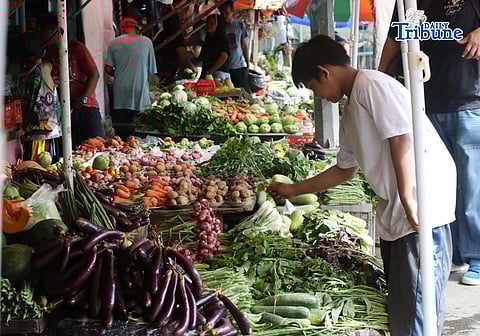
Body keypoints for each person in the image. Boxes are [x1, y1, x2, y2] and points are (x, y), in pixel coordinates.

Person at [267, 35, 456, 336]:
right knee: (403, 302)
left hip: (421, 199)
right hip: (397, 206)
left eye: (313, 86)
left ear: (324, 72)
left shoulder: (371, 84)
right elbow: (345, 170)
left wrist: (407, 198)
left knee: (418, 302)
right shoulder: (352, 104)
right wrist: (293, 190)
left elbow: (400, 138)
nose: (317, 95)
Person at [379, 0, 480, 285]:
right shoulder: (414, 3)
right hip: (425, 103)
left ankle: (477, 258)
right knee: (439, 181)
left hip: (468, 101)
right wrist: (379, 77)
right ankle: (455, 253)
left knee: (472, 184)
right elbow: (393, 39)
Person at [38, 14, 104, 148]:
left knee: (97, 148)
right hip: (62, 112)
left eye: (43, 30)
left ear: (54, 30)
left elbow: (94, 74)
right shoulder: (45, 54)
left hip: (86, 109)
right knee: (71, 153)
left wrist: (83, 99)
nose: (41, 35)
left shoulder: (76, 48)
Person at [105, 17, 157, 137]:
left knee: (121, 131)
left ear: (121, 29)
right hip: (139, 92)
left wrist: (118, 74)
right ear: (137, 29)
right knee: (140, 130)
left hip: (120, 92)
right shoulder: (147, 42)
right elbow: (152, 72)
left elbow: (107, 68)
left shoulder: (113, 43)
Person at [16, 32, 62, 162]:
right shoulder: (45, 70)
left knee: (36, 170)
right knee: (47, 169)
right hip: (49, 134)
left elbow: (26, 105)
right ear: (43, 52)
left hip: (35, 136)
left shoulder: (27, 76)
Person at [153, 0, 197, 85]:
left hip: (159, 70)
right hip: (165, 72)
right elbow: (182, 57)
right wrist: (193, 68)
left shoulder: (164, 32)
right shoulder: (175, 29)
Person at [219, 0, 251, 93]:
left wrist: (247, 62)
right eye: (222, 13)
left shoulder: (239, 25)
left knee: (242, 93)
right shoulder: (220, 26)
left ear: (232, 12)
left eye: (227, 13)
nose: (224, 16)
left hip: (238, 66)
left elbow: (244, 46)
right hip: (224, 69)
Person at [199, 14, 230, 79]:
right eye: (207, 23)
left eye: (212, 23)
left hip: (219, 74)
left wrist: (210, 72)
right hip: (207, 73)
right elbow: (202, 58)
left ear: (218, 25)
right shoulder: (208, 40)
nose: (208, 25)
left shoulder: (223, 39)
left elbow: (223, 57)